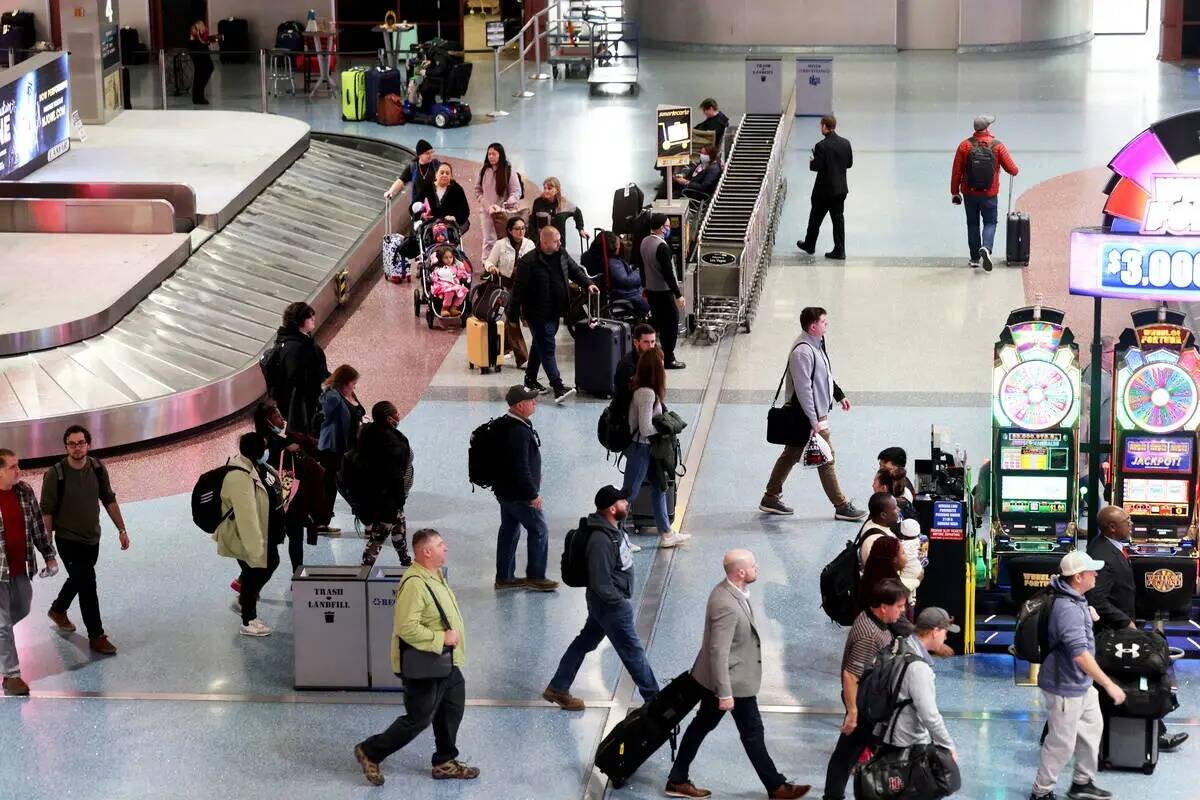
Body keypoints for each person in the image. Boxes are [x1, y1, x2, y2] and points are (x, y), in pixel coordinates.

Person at [665, 549, 812, 799]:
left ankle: (677, 779)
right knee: (752, 732)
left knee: (702, 725)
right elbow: (718, 652)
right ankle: (776, 787)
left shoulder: (732, 592)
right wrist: (725, 693)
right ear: (741, 572)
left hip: (721, 679)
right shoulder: (726, 605)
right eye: (754, 565)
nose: (758, 568)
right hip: (730, 682)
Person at [354, 528, 479, 785]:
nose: (446, 548)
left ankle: (445, 761)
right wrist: (441, 639)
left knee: (452, 706)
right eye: (441, 545)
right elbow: (406, 627)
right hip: (426, 664)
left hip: (446, 661)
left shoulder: (434, 574)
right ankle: (370, 751)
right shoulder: (415, 584)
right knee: (418, 719)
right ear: (427, 552)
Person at [543, 486, 659, 709]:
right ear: (612, 508)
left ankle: (558, 687)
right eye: (623, 502)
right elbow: (600, 580)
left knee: (585, 641)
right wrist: (618, 602)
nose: (628, 504)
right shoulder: (601, 540)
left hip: (604, 603)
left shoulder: (613, 527)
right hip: (609, 605)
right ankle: (655, 700)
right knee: (632, 651)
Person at [1086, 506, 1187, 752]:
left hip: (1120, 625)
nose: (1131, 524)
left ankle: (1153, 731)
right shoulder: (1101, 553)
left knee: (1112, 683)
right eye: (1126, 520)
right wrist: (1124, 622)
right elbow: (1097, 599)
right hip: (1111, 632)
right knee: (1139, 675)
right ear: (1111, 527)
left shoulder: (1112, 547)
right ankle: (1157, 733)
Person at [1031, 550, 1125, 800]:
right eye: (1091, 571)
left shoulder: (1075, 598)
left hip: (1080, 684)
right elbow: (1080, 655)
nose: (1096, 574)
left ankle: (1082, 782)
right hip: (1064, 685)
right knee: (1061, 744)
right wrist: (1108, 684)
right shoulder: (1067, 608)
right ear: (1078, 577)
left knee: (1092, 729)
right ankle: (1041, 792)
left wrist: (1089, 616)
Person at [759, 307, 865, 520]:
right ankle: (841, 505)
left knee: (790, 455)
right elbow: (803, 389)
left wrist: (839, 395)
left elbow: (824, 375)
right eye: (824, 322)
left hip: (812, 415)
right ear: (813, 326)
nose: (827, 325)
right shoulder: (802, 352)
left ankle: (770, 497)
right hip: (807, 416)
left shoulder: (817, 345)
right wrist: (814, 419)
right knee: (827, 459)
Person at [821, 578, 910, 800]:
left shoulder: (875, 619)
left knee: (847, 754)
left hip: (870, 700)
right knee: (857, 754)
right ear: (883, 607)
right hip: (865, 704)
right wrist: (853, 712)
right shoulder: (869, 635)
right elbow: (851, 674)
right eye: (899, 606)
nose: (903, 610)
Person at [40, 425, 126, 655]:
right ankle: (96, 635)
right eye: (72, 444)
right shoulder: (55, 474)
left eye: (81, 443)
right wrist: (47, 546)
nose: (77, 447)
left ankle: (58, 609)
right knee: (88, 583)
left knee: (80, 577)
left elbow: (108, 499)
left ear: (88, 444)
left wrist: (122, 529)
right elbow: (46, 511)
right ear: (66, 446)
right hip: (68, 539)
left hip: (92, 537)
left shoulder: (97, 467)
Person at [508, 225, 598, 402]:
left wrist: (587, 283)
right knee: (548, 348)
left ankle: (530, 380)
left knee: (539, 345)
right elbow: (517, 291)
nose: (560, 243)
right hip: (536, 314)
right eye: (556, 241)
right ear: (544, 242)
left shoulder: (561, 254)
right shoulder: (528, 262)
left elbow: (574, 270)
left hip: (556, 311)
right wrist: (512, 317)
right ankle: (558, 387)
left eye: (559, 240)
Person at [0, 448, 58, 696]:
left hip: (19, 568)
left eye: (18, 465)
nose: (18, 471)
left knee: (23, 607)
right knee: (2, 625)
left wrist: (49, 555)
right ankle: (11, 676)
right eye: (13, 467)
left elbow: (36, 526)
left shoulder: (24, 492)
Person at [214, 433, 283, 637]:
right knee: (256, 572)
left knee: (269, 564)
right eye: (264, 447)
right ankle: (248, 620)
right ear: (257, 451)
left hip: (265, 532)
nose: (267, 450)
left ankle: (244, 600)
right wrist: (254, 550)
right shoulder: (239, 476)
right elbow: (246, 517)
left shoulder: (257, 467)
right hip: (249, 538)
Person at [622, 348, 691, 548]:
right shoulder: (646, 393)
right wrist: (665, 430)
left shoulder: (646, 388)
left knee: (660, 486)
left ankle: (666, 533)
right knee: (630, 493)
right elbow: (644, 428)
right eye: (661, 363)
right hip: (640, 449)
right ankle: (615, 538)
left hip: (647, 449)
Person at [491, 386, 557, 591]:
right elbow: (520, 466)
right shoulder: (519, 431)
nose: (534, 402)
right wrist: (532, 493)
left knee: (509, 531)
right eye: (530, 400)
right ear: (519, 406)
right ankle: (536, 577)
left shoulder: (507, 424)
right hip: (520, 494)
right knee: (539, 529)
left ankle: (505, 577)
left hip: (505, 492)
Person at [253, 400, 330, 572]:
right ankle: (247, 580)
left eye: (280, 414)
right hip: (273, 501)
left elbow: (312, 445)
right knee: (271, 544)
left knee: (295, 537)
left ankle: (297, 572)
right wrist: (284, 448)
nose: (281, 418)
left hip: (292, 500)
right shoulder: (263, 443)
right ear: (266, 421)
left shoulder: (289, 437)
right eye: (276, 416)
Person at [950, 114, 1019, 271]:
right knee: (990, 222)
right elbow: (1013, 169)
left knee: (973, 224)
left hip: (969, 193)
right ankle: (986, 248)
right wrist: (1013, 170)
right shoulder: (997, 146)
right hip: (989, 193)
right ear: (988, 128)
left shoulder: (964, 146)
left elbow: (956, 172)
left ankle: (974, 258)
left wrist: (955, 192)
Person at [885, 608, 958, 756]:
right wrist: (948, 746)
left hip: (892, 735)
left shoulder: (903, 645)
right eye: (945, 632)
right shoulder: (918, 668)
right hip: (907, 745)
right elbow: (930, 716)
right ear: (935, 631)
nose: (946, 638)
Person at [355, 402, 414, 568]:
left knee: (399, 527)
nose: (398, 415)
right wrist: (398, 498)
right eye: (395, 413)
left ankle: (405, 560)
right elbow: (394, 474)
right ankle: (365, 569)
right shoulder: (391, 441)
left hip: (376, 494)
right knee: (379, 536)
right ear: (389, 418)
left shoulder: (368, 433)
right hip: (388, 498)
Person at [268, 301, 330, 439]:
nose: (313, 318)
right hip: (303, 407)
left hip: (305, 403)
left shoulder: (296, 341)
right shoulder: (295, 347)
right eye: (309, 317)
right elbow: (297, 379)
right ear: (300, 322)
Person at [797, 114, 852, 260]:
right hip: (840, 190)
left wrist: (812, 161)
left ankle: (810, 245)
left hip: (823, 191)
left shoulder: (821, 146)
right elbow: (849, 164)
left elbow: (817, 167)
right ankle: (840, 250)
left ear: (824, 126)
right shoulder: (846, 143)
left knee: (815, 219)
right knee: (838, 220)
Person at [484, 215, 535, 367]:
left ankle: (506, 347)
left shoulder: (530, 244)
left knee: (525, 319)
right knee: (512, 320)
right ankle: (523, 358)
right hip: (506, 285)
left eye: (523, 228)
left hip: (526, 287)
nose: (521, 232)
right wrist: (491, 267)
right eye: (517, 229)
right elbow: (489, 261)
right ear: (509, 230)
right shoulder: (500, 245)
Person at [317, 364, 363, 528]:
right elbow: (326, 413)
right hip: (333, 447)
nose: (354, 387)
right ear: (343, 382)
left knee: (336, 484)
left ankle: (322, 520)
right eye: (352, 383)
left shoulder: (347, 395)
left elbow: (359, 411)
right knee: (335, 484)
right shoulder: (332, 396)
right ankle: (322, 521)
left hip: (345, 446)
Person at [639, 213, 687, 370]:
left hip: (651, 291)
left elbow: (642, 267)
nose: (669, 229)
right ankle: (668, 358)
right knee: (671, 325)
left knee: (659, 322)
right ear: (661, 228)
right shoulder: (662, 247)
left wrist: (645, 286)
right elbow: (668, 274)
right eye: (667, 226)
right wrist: (678, 295)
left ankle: (654, 354)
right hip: (664, 292)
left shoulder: (644, 242)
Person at [475, 142, 522, 260]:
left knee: (504, 241)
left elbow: (516, 192)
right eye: (489, 154)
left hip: (503, 213)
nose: (491, 156)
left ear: (500, 155)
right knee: (488, 241)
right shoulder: (484, 171)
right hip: (487, 213)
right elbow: (478, 191)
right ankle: (487, 265)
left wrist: (506, 205)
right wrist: (487, 206)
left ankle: (503, 266)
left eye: (494, 154)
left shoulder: (509, 172)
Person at [601, 232, 650, 318]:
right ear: (615, 246)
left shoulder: (613, 260)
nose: (620, 245)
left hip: (624, 292)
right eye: (619, 243)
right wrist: (640, 275)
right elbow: (625, 280)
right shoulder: (613, 262)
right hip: (626, 295)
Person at [385, 139, 441, 212]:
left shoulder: (436, 164)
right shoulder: (413, 166)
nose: (430, 155)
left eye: (431, 152)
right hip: (418, 205)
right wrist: (391, 191)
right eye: (427, 153)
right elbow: (401, 180)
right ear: (420, 155)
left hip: (434, 204)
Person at [531, 176, 588, 246]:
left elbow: (578, 213)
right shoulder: (537, 202)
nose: (546, 191)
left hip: (559, 245)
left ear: (557, 190)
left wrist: (580, 229)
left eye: (549, 188)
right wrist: (534, 239)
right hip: (541, 245)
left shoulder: (565, 204)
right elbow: (532, 222)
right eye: (545, 188)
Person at [615, 324, 658, 409]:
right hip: (629, 412)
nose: (650, 346)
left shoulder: (651, 358)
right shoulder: (628, 366)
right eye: (646, 342)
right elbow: (625, 399)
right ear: (635, 342)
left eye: (652, 342)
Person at [421, 163, 471, 233]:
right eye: (442, 172)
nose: (444, 175)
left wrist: (455, 218)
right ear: (436, 174)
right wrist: (422, 214)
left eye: (447, 173)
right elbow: (414, 205)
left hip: (449, 226)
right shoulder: (427, 187)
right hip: (430, 226)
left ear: (451, 177)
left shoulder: (457, 189)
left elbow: (465, 211)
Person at [187, 20, 216, 106]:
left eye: (203, 25)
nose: (203, 27)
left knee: (209, 68)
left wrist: (210, 40)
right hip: (196, 50)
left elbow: (205, 40)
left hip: (202, 49)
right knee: (199, 73)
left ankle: (199, 96)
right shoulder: (194, 30)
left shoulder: (205, 30)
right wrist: (199, 35)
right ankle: (198, 97)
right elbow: (197, 41)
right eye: (201, 25)